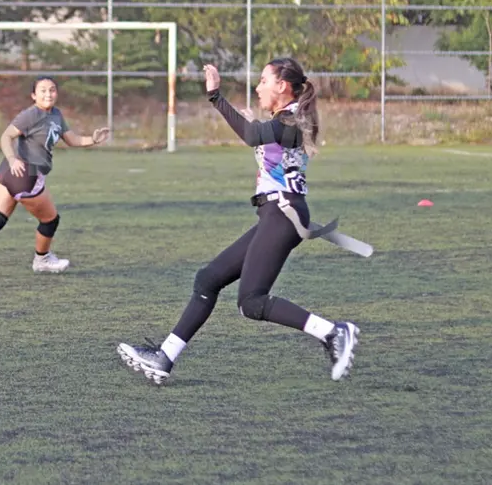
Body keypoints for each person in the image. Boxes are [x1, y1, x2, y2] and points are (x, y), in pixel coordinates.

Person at [117, 59, 360, 385]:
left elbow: (251, 135)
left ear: (282, 86)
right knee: (207, 280)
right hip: (274, 214)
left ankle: (333, 332)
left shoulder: (289, 120)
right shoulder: (282, 118)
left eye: (263, 81)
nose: (257, 87)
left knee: (252, 302)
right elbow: (259, 135)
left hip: (283, 214)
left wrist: (216, 96)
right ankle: (164, 357)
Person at [0, 76, 110, 273]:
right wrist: (12, 158)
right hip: (24, 173)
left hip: (9, 173)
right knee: (50, 220)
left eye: (52, 90)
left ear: (57, 93)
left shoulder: (57, 115)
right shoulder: (31, 115)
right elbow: (6, 136)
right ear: (33, 95)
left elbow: (73, 140)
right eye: (42, 90)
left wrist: (93, 139)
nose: (48, 94)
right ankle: (42, 260)